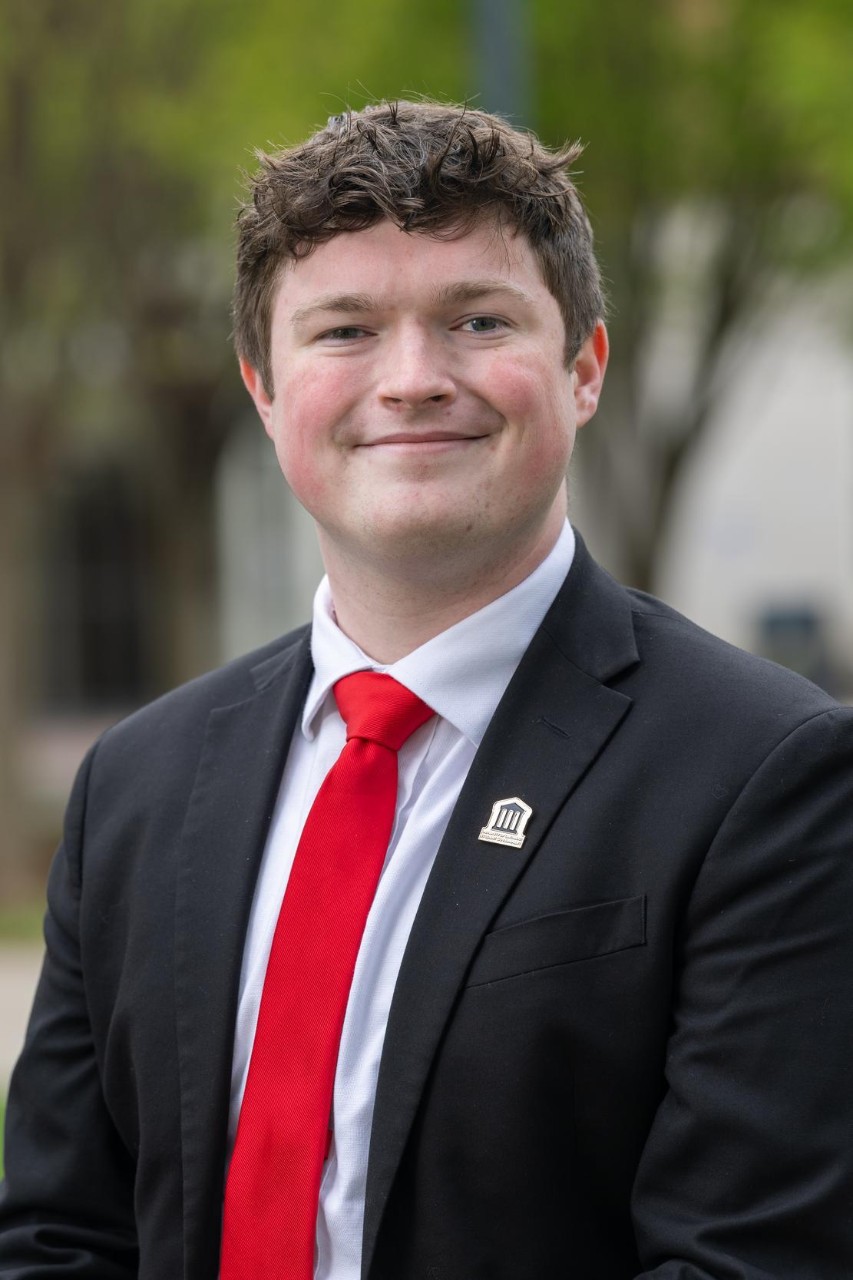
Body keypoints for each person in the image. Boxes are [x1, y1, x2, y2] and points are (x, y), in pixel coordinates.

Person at [1, 100, 852, 1280]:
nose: (411, 380)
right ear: (262, 386)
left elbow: (747, 1259)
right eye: (344, 329)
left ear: (584, 368)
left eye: (477, 319)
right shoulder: (137, 785)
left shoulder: (768, 775)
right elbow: (57, 1234)